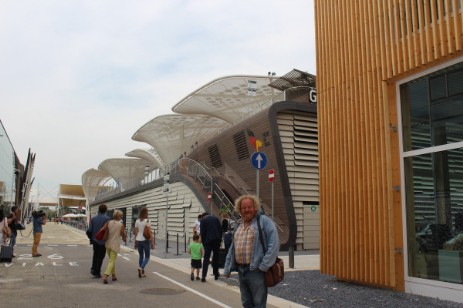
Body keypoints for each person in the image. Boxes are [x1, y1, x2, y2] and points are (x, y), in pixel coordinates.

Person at [223, 195, 279, 308]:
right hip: (241, 270)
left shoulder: (264, 222)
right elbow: (232, 248)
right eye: (243, 208)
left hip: (256, 270)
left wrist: (264, 266)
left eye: (250, 207)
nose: (247, 210)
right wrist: (227, 268)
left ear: (255, 207)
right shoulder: (238, 224)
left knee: (259, 304)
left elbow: (274, 245)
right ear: (239, 209)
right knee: (246, 303)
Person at [102, 209, 127, 284]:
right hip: (115, 244)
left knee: (111, 260)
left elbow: (103, 229)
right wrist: (125, 239)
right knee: (112, 260)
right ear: (119, 216)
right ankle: (106, 275)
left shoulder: (108, 222)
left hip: (107, 243)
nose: (122, 217)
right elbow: (123, 234)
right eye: (121, 215)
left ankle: (113, 275)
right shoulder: (121, 225)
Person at [86, 204, 110, 278]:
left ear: (98, 210)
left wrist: (91, 239)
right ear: (105, 210)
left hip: (95, 240)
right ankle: (97, 271)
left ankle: (93, 269)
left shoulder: (93, 219)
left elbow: (89, 231)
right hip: (102, 241)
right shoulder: (107, 219)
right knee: (101, 256)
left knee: (95, 255)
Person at [200, 212, 222, 282]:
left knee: (206, 258)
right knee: (215, 257)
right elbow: (220, 230)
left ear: (203, 216)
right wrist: (220, 239)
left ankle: (203, 276)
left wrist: (203, 243)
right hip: (216, 240)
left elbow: (202, 233)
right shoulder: (216, 219)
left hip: (208, 241)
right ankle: (216, 274)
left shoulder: (203, 221)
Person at [134, 207, 155, 278]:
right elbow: (149, 232)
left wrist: (135, 242)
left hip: (139, 240)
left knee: (141, 256)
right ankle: (141, 268)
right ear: (146, 213)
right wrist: (152, 242)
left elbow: (136, 232)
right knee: (147, 256)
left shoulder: (137, 221)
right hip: (146, 240)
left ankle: (142, 273)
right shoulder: (147, 221)